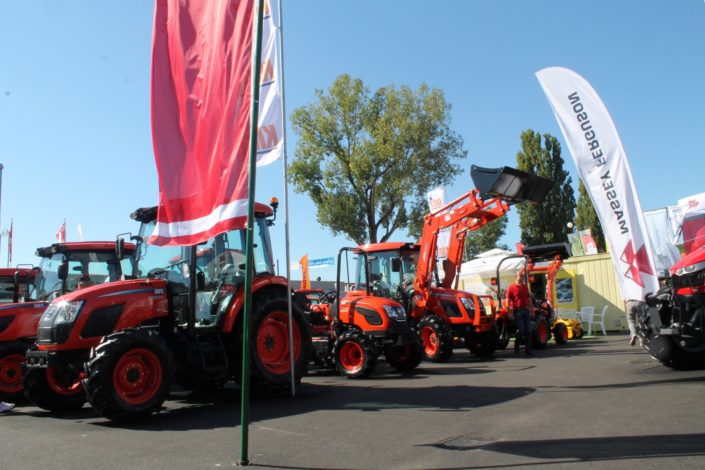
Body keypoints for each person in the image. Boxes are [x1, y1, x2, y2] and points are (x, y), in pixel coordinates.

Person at [506, 269, 535, 357]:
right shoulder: (511, 287)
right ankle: (516, 346)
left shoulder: (525, 287)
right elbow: (508, 300)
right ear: (516, 277)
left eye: (523, 276)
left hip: (526, 310)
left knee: (529, 331)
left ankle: (528, 350)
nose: (522, 277)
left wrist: (532, 309)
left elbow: (528, 299)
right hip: (517, 311)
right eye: (521, 276)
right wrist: (509, 312)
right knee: (522, 330)